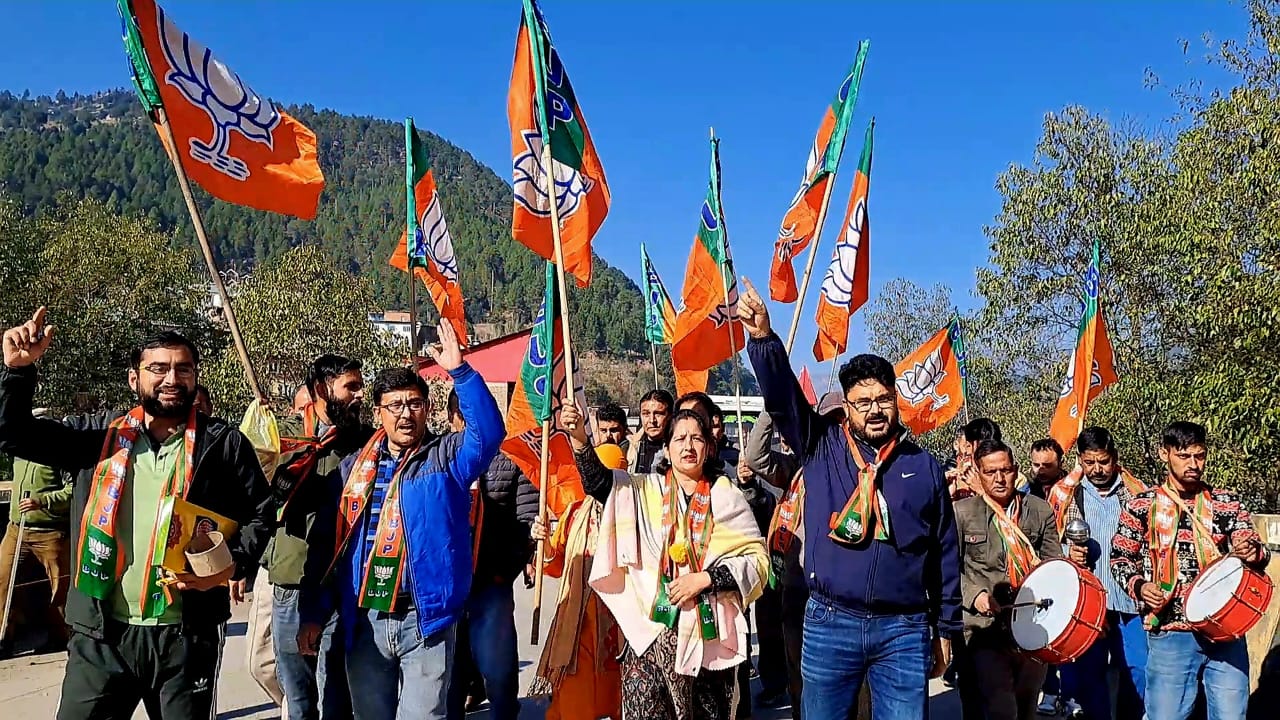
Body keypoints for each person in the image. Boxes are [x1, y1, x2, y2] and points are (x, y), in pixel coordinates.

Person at [0, 308, 274, 719]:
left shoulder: (223, 444)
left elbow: (261, 514)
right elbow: (14, 435)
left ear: (195, 376)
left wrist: (229, 565)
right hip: (102, 635)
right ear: (134, 379)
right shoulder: (96, 436)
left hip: (185, 635)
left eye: (183, 369)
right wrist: (18, 372)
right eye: (158, 368)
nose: (172, 379)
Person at [738, 278, 961, 720]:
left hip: (904, 628)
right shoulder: (820, 446)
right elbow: (783, 398)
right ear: (849, 408)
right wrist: (763, 338)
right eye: (863, 402)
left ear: (896, 401)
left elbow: (944, 554)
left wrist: (946, 627)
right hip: (830, 622)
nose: (874, 409)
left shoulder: (924, 467)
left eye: (883, 399)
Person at [298, 319, 503, 720]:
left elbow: (489, 434)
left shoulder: (447, 459)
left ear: (428, 409)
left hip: (425, 620)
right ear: (379, 413)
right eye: (394, 405)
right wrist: (313, 613)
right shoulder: (352, 471)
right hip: (365, 618)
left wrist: (461, 372)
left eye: (414, 404)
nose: (405, 414)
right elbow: (326, 547)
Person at [562, 401, 768, 720]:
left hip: (707, 637)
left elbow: (757, 562)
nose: (688, 446)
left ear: (709, 447)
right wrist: (579, 438)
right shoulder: (644, 489)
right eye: (680, 438)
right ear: (667, 450)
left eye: (696, 438)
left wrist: (706, 579)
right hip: (648, 635)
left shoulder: (728, 497)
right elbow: (599, 484)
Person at [1112, 421, 1268, 720]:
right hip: (1169, 631)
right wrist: (1141, 587)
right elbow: (1120, 557)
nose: (1193, 464)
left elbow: (1254, 547)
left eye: (1200, 456)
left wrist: (1252, 550)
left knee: (1231, 715)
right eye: (1184, 456)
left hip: (1225, 631)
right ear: (1164, 454)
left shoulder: (1226, 503)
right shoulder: (1142, 505)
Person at [268, 355, 372, 720]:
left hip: (344, 582)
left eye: (361, 386)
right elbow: (255, 500)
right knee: (298, 695)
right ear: (321, 390)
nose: (360, 395)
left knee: (337, 696)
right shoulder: (284, 439)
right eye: (351, 387)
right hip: (293, 580)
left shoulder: (367, 443)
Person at [445, 389, 538, 720]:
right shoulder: (439, 458)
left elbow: (527, 516)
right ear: (453, 419)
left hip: (491, 581)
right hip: (447, 586)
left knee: (498, 668)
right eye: (467, 417)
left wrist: (516, 562)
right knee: (449, 672)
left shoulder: (510, 458)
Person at [954, 440, 1062, 720]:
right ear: (978, 473)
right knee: (1000, 707)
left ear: (1016, 470)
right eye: (990, 472)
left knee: (1026, 707)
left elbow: (1054, 565)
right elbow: (947, 569)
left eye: (1006, 470)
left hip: (1031, 627)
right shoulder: (962, 513)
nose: (1000, 478)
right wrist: (975, 595)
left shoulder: (1039, 510)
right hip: (983, 629)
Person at [1053, 427, 1149, 720]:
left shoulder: (1137, 493)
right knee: (1090, 674)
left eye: (1103, 461)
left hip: (1131, 602)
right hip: (1090, 603)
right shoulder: (1067, 496)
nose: (1097, 469)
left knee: (1139, 670)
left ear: (1114, 458)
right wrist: (1068, 553)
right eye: (1089, 462)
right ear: (1080, 460)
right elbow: (1049, 546)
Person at [526, 442, 626, 720]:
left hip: (620, 630)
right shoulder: (574, 513)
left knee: (621, 699)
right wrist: (544, 543)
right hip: (577, 628)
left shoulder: (634, 514)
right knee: (575, 702)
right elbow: (555, 565)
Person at [0, 450, 73, 658]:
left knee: (58, 585)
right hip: (16, 529)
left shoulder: (58, 455)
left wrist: (43, 501)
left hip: (50, 531)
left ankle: (60, 637)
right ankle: (4, 637)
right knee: (3, 579)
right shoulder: (18, 452)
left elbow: (72, 490)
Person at [1023, 437, 1069, 715]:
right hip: (1038, 573)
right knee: (1043, 635)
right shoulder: (1025, 493)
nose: (1040, 470)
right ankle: (1050, 691)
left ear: (1060, 463)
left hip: (1070, 568)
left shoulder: (1073, 490)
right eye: (1035, 464)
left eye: (1047, 465)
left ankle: (1072, 693)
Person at [628, 389, 672, 474]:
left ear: (670, 416)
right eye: (646, 414)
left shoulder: (679, 448)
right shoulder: (630, 446)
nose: (652, 420)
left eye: (658, 413)